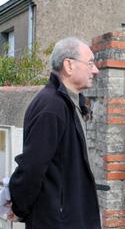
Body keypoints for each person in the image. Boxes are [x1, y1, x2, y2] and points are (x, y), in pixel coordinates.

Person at [7, 37, 101, 228]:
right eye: (90, 63)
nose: (95, 70)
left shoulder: (69, 103)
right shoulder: (52, 107)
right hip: (58, 221)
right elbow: (32, 166)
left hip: (66, 216)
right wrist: (19, 206)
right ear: (69, 65)